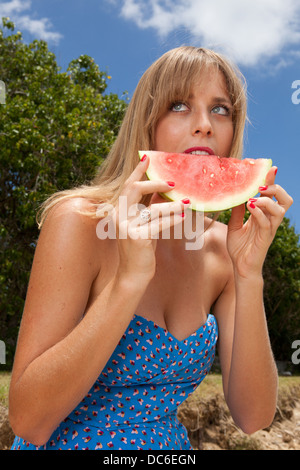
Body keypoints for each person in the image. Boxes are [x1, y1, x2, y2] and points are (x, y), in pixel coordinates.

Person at [9, 46, 293, 450]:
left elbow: (253, 417)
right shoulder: (80, 223)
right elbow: (29, 421)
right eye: (180, 105)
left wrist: (249, 275)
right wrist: (129, 280)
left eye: (221, 109)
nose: (204, 126)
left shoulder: (223, 251)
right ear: (147, 122)